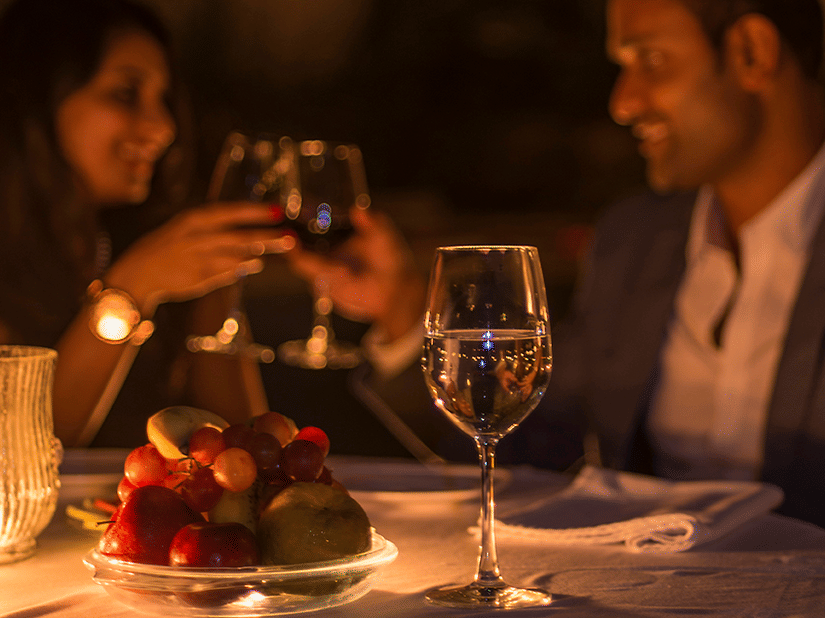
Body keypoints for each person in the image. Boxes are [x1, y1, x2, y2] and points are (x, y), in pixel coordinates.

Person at [290, 0, 825, 527]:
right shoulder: (636, 239)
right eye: (623, 68)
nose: (624, 103)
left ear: (752, 52)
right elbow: (536, 454)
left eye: (652, 61)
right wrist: (405, 312)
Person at [0, 0, 290, 447]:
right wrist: (132, 290)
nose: (163, 126)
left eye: (163, 98)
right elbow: (19, 455)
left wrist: (214, 283)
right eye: (126, 93)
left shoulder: (149, 241)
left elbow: (250, 449)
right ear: (36, 99)